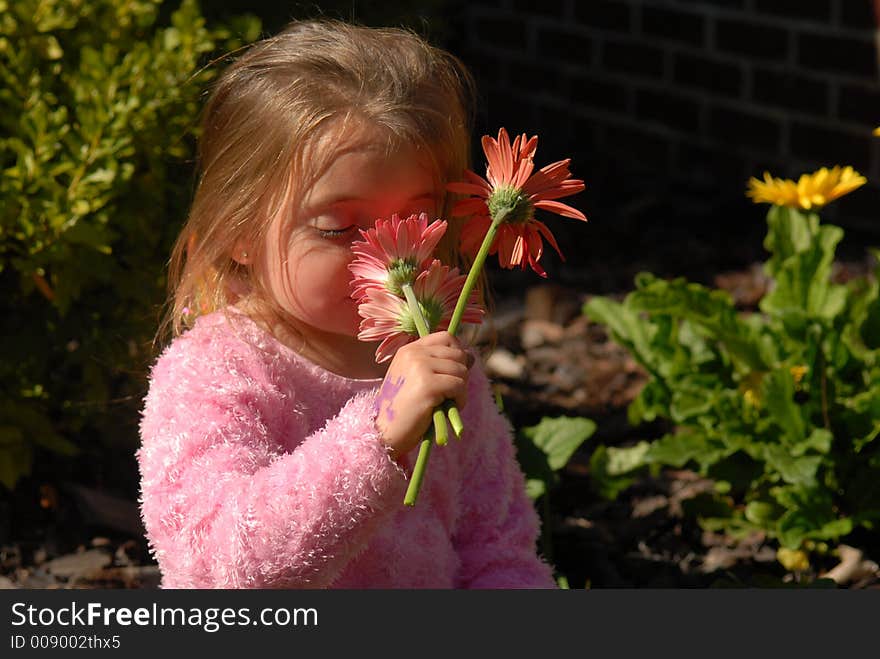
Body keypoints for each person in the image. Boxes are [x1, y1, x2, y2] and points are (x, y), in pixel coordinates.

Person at [136, 19, 557, 588]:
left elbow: (497, 551)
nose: (388, 256)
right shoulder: (214, 373)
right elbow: (221, 568)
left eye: (419, 218)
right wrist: (378, 436)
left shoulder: (440, 363)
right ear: (239, 230)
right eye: (337, 228)